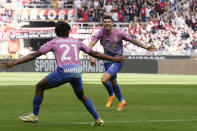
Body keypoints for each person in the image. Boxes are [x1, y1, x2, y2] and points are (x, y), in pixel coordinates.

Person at [0, 22, 124, 126]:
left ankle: (34, 115)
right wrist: (113, 59)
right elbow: (95, 54)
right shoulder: (77, 41)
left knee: (39, 87)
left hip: (64, 71)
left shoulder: (54, 42)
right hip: (77, 71)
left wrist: (15, 63)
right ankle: (98, 119)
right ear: (69, 31)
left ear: (56, 32)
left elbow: (34, 55)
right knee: (81, 95)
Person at [88, 16, 157, 111]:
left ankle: (111, 95)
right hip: (107, 60)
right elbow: (90, 45)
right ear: (103, 24)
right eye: (105, 22)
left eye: (109, 21)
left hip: (117, 60)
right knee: (113, 82)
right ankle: (121, 101)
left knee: (104, 80)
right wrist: (90, 56)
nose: (107, 23)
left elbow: (132, 40)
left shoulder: (119, 33)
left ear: (112, 23)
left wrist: (145, 47)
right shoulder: (100, 32)